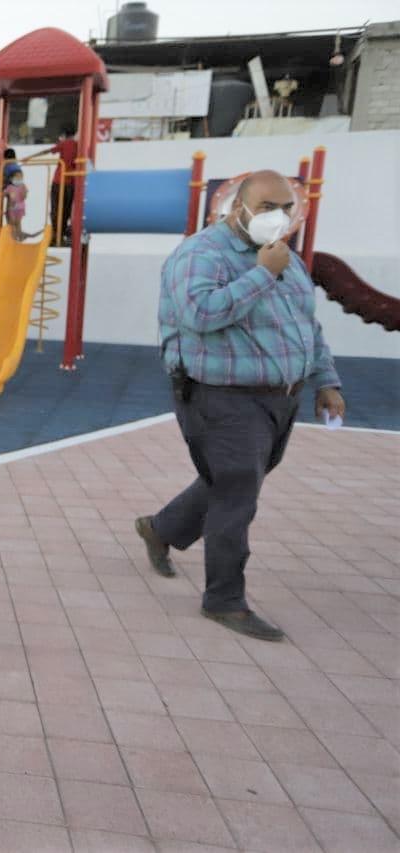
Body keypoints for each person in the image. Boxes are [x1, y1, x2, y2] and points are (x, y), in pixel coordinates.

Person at [134, 170, 346, 642]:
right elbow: (201, 315)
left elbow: (306, 327)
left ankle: (161, 529)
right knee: (237, 493)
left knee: (233, 478)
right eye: (268, 207)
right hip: (221, 396)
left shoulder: (288, 260)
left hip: (279, 397)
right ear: (238, 208)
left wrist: (325, 382)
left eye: (286, 208)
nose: (279, 218)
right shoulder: (200, 255)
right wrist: (261, 274)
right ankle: (225, 600)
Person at [27, 125, 78, 243]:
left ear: (64, 135)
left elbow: (47, 151)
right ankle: (63, 234)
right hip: (72, 183)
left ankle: (56, 235)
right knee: (67, 210)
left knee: (56, 209)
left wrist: (29, 157)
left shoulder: (65, 143)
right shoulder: (77, 145)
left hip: (59, 181)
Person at [3, 163, 29, 241]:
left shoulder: (23, 186)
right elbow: (3, 194)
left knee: (18, 223)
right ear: (11, 179)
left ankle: (20, 237)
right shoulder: (10, 187)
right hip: (12, 208)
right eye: (17, 177)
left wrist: (24, 192)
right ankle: (14, 238)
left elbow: (24, 197)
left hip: (20, 208)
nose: (19, 179)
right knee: (12, 223)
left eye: (21, 177)